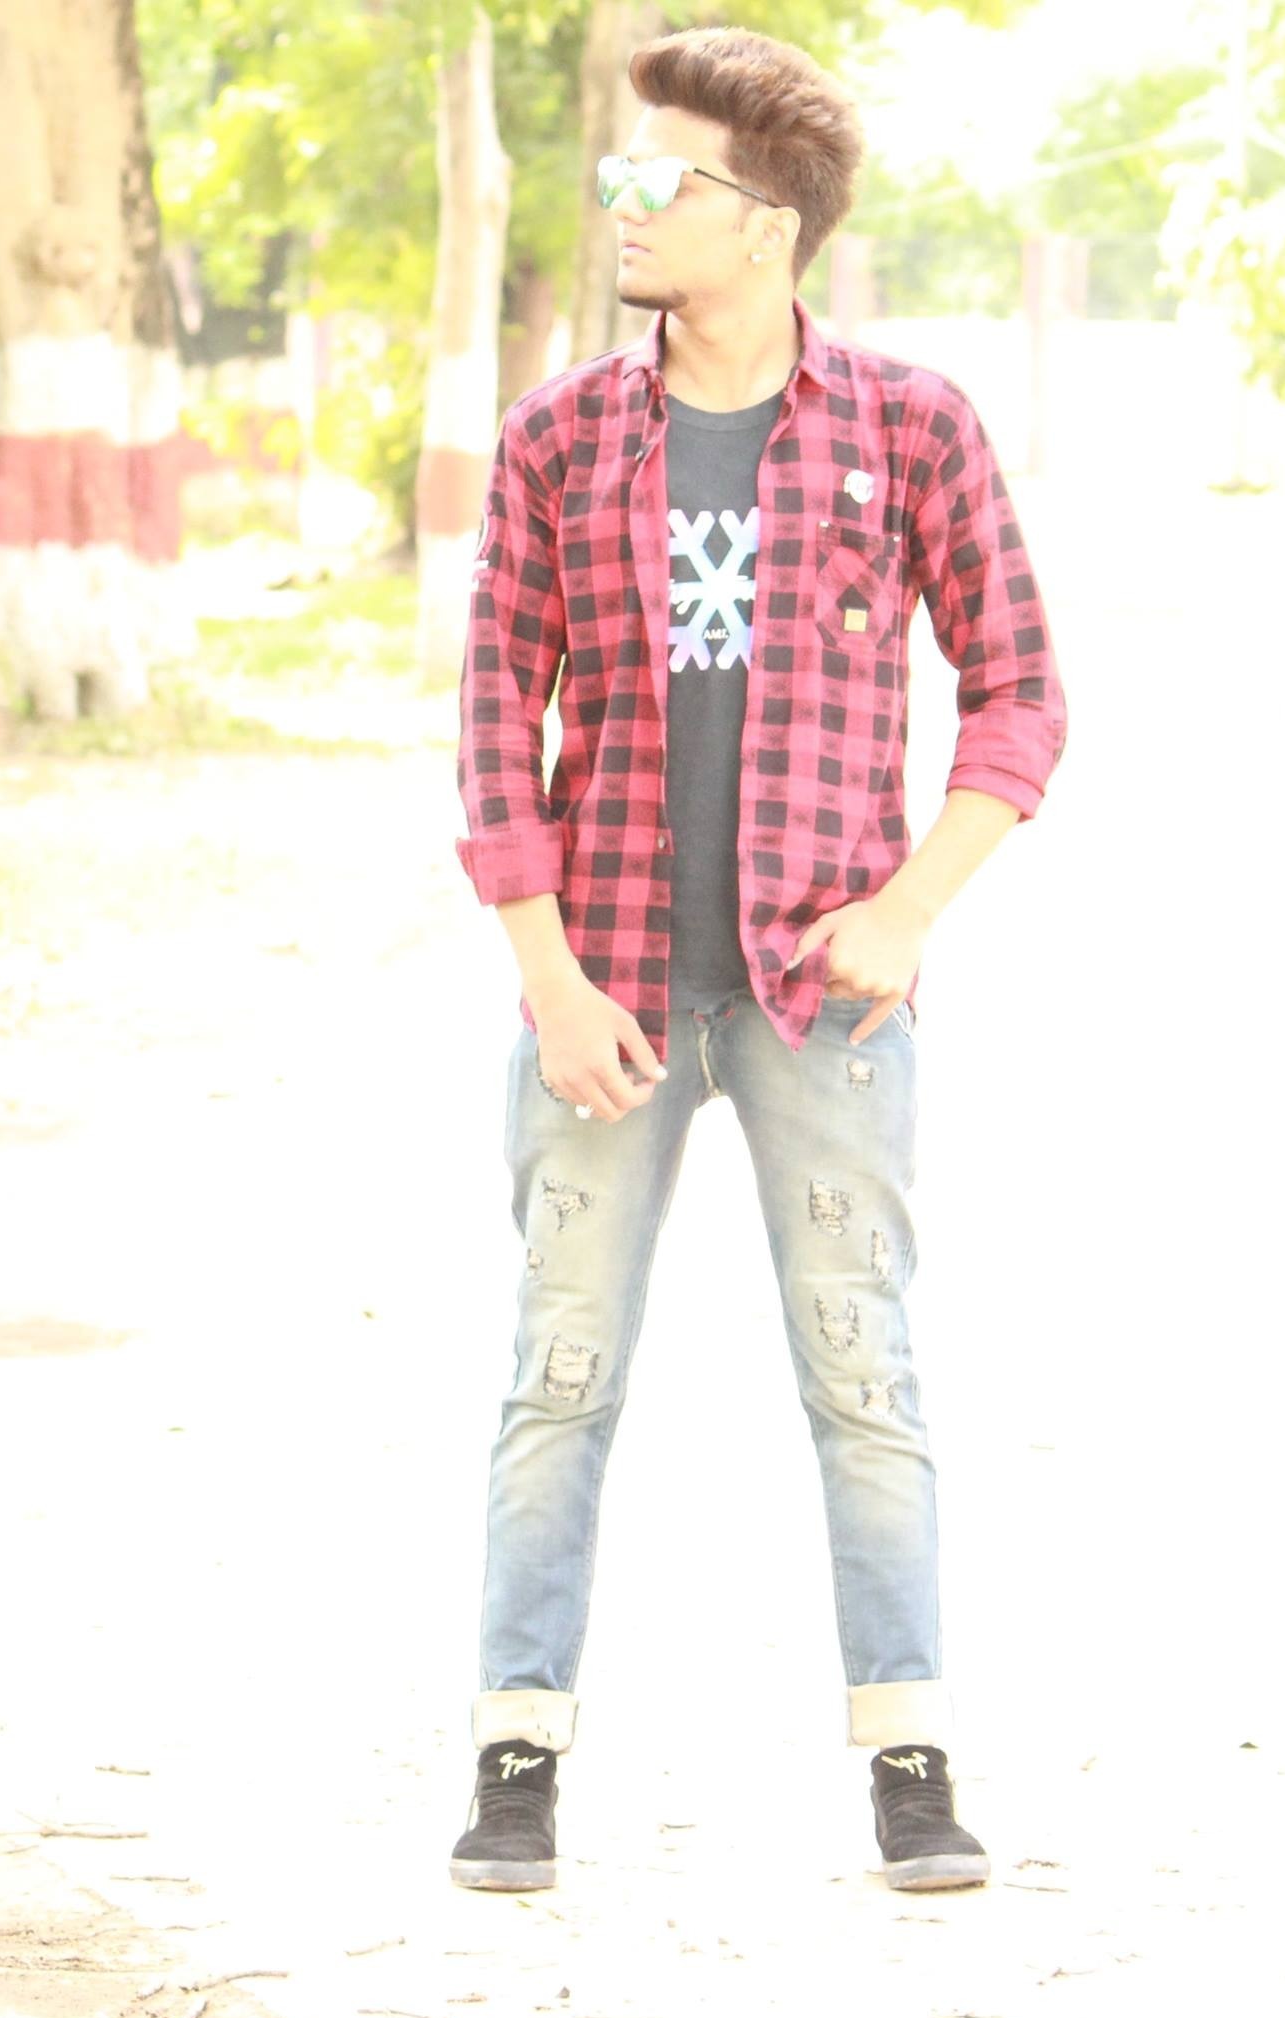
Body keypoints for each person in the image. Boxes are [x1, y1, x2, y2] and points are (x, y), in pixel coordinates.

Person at [447, 27, 1067, 1895]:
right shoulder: (560, 435)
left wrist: (910, 908)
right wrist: (551, 980)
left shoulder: (910, 428)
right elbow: (493, 722)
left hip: (829, 998)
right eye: (620, 173)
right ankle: (515, 1755)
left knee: (864, 1376)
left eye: (663, 180)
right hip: (610, 994)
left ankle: (910, 1758)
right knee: (559, 1375)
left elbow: (1020, 696)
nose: (624, 203)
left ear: (768, 223)